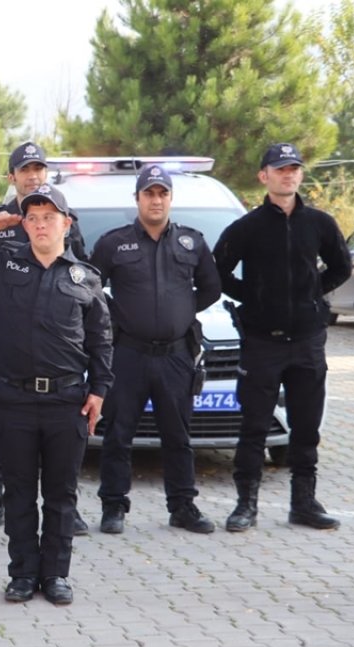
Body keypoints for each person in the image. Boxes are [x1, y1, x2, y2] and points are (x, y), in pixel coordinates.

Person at [0, 184, 112, 605]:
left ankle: (56, 575)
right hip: (15, 401)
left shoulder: (85, 278)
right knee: (21, 492)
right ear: (23, 224)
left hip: (67, 402)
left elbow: (101, 341)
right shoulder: (3, 266)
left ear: (67, 223)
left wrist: (99, 391)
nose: (41, 224)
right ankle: (23, 574)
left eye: (50, 217)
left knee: (62, 494)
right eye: (33, 217)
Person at [0, 142, 91, 536]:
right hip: (5, 346)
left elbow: (81, 277)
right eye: (25, 170)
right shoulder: (0, 222)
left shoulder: (63, 220)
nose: (32, 176)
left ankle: (65, 508)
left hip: (55, 353)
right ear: (11, 177)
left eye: (38, 169)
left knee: (59, 439)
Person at [213, 143, 351, 533]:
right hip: (262, 342)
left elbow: (343, 265)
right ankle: (246, 505)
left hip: (308, 340)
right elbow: (218, 270)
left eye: (294, 168)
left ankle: (304, 503)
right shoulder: (247, 227)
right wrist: (253, 297)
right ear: (264, 176)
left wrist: (311, 296)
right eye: (279, 169)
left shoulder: (320, 224)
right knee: (254, 426)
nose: (287, 174)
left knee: (306, 427)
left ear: (300, 175)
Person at [90, 165, 221, 534]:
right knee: (118, 434)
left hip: (176, 357)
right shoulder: (113, 243)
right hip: (128, 355)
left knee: (178, 435)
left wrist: (181, 310)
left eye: (162, 193)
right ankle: (113, 506)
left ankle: (182, 507)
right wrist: (116, 316)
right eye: (149, 193)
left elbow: (211, 287)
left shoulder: (192, 242)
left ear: (170, 199)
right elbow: (90, 288)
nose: (156, 199)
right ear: (137, 198)